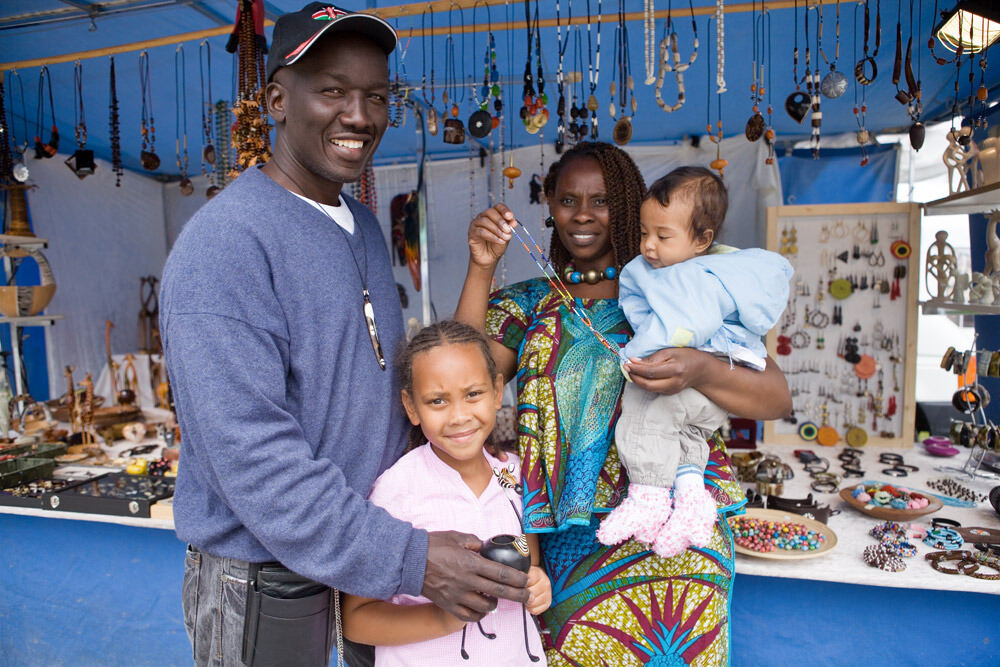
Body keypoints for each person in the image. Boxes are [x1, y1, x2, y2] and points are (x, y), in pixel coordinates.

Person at [160, 5, 528, 666]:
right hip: (267, 578)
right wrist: (408, 556)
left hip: (364, 566)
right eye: (332, 90)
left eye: (376, 96)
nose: (358, 114)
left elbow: (386, 393)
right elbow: (252, 453)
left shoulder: (358, 225)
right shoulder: (225, 244)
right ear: (276, 99)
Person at [455, 142, 792, 666]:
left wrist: (700, 367)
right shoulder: (527, 304)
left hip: (681, 535)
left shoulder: (678, 289)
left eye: (602, 200)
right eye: (568, 200)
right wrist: (481, 268)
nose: (583, 214)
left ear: (631, 203)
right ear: (549, 204)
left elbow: (774, 396)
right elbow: (461, 383)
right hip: (569, 542)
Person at [596, 167, 793, 558]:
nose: (649, 246)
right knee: (683, 433)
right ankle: (691, 499)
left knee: (643, 406)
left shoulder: (692, 278)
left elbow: (680, 327)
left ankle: (649, 497)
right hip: (709, 397)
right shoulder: (700, 270)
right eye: (644, 233)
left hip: (711, 379)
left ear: (702, 240)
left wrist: (632, 357)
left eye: (663, 236)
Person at [341, 320, 551, 665]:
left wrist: (538, 585)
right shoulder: (397, 490)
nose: (458, 416)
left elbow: (531, 563)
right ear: (412, 407)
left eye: (473, 394)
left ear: (497, 391)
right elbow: (357, 618)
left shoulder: (517, 476)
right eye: (437, 401)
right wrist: (442, 617)